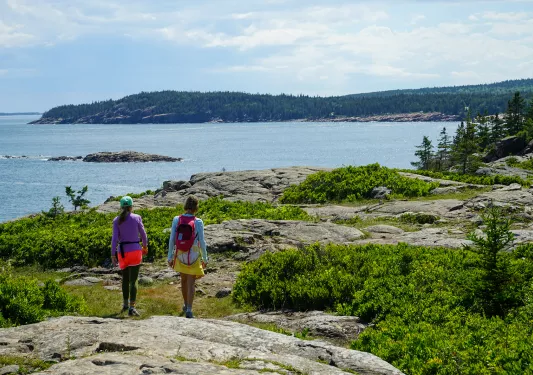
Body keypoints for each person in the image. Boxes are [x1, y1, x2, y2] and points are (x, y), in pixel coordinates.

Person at [168, 195, 208, 318]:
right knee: (191, 283)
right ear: (196, 207)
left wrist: (170, 256)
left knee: (183, 281)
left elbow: (172, 239)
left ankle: (185, 304)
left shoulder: (177, 219)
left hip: (180, 254)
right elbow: (202, 241)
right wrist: (205, 258)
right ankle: (189, 310)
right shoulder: (198, 222)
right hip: (194, 255)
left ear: (185, 205)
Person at [111, 196, 148, 316]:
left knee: (125, 280)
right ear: (131, 206)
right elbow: (143, 235)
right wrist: (145, 246)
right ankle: (132, 308)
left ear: (121, 207)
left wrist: (113, 254)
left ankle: (125, 304)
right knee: (134, 280)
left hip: (122, 252)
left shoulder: (116, 220)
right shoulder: (137, 218)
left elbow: (114, 239)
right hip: (135, 251)